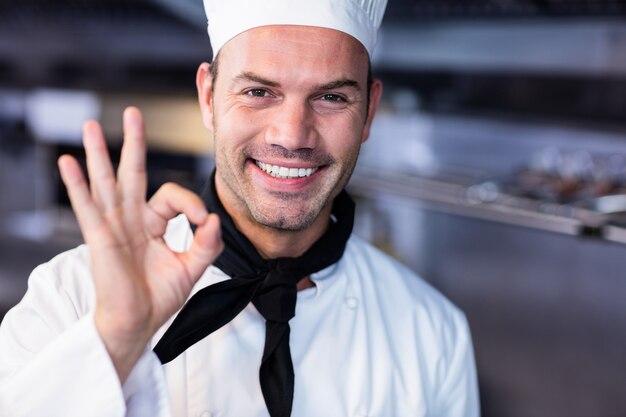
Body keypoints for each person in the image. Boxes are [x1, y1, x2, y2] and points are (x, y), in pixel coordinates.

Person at [0, 0, 480, 416]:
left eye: (331, 97)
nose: (291, 135)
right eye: (257, 92)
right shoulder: (71, 297)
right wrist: (116, 340)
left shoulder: (432, 332)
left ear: (369, 113)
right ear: (209, 97)